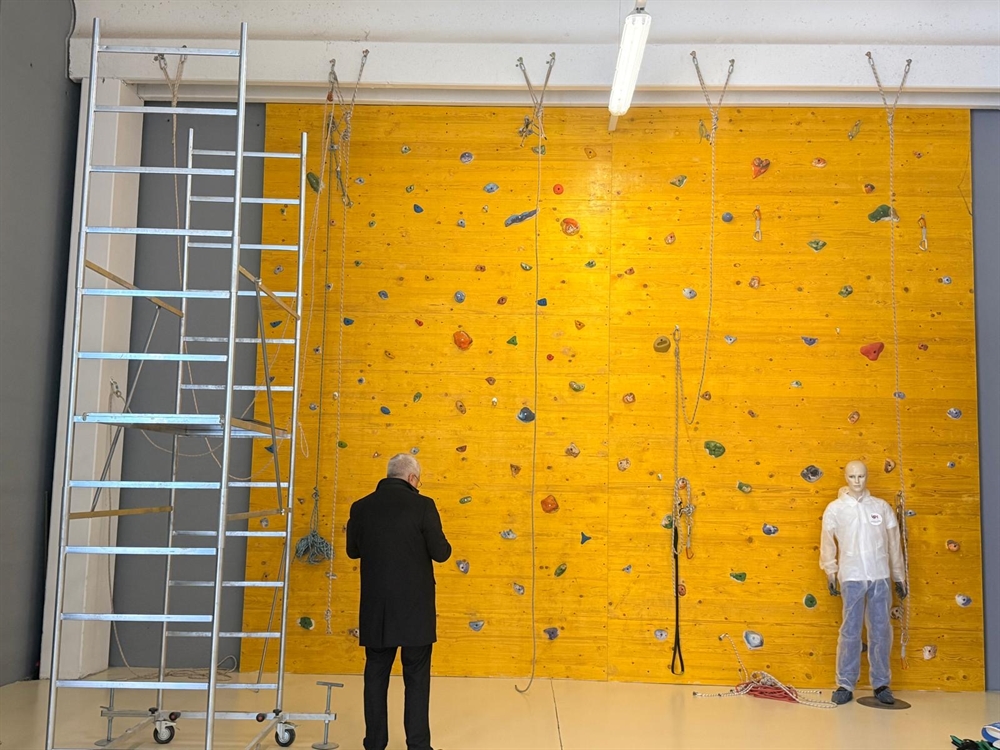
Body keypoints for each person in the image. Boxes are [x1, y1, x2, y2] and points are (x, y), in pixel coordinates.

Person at [346, 453, 452, 750]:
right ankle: (418, 746)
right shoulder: (423, 506)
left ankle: (375, 743)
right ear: (412, 478)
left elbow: (353, 551)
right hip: (415, 610)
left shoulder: (361, 507)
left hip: (377, 610)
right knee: (416, 678)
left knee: (375, 674)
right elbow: (441, 553)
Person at [820, 459, 907, 706]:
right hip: (852, 575)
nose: (857, 481)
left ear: (867, 477)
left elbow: (893, 544)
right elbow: (827, 542)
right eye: (852, 476)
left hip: (879, 575)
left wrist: (898, 575)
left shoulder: (880, 507)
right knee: (850, 630)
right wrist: (830, 571)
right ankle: (845, 684)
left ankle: (881, 684)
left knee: (881, 630)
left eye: (861, 476)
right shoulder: (835, 509)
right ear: (845, 478)